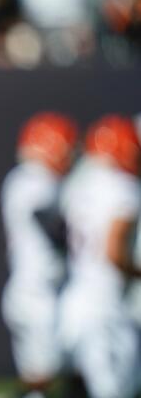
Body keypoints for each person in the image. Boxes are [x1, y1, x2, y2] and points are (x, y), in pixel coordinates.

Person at [58, 114, 141, 398]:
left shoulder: (80, 183)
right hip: (106, 303)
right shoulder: (122, 187)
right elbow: (113, 250)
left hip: (76, 297)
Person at [0, 112, 78, 398]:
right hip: (38, 292)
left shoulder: (26, 178)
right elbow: (49, 222)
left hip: (34, 288)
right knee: (49, 377)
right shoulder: (32, 177)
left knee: (44, 377)